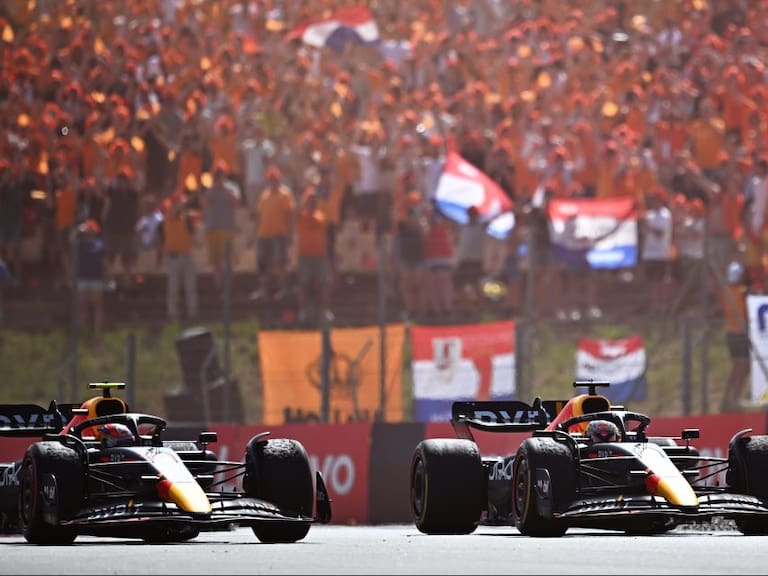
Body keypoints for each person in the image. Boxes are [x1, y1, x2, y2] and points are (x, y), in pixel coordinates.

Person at [251, 165, 295, 301]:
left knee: (280, 263)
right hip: (264, 234)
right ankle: (263, 290)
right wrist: (255, 233)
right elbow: (259, 216)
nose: (273, 181)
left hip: (279, 233)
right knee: (262, 263)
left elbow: (289, 215)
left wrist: (290, 234)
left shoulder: (285, 194)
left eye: (275, 179)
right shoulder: (264, 195)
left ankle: (284, 289)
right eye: (270, 179)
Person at [158, 191, 199, 323]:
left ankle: (192, 314)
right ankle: (172, 314)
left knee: (190, 286)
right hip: (174, 257)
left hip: (187, 255)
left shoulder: (186, 218)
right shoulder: (168, 216)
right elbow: (175, 210)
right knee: (173, 288)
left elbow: (192, 234)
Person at [201, 159, 240, 294]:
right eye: (217, 174)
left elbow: (236, 202)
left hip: (227, 229)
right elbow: (205, 208)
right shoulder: (210, 189)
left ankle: (229, 288)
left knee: (229, 261)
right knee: (216, 262)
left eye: (221, 173)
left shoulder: (232, 187)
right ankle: (218, 289)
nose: (219, 176)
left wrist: (223, 187)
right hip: (212, 229)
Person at [295, 189, 331, 323]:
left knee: (323, 283)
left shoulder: (322, 216)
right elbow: (294, 211)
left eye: (314, 200)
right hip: (304, 254)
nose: (312, 202)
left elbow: (325, 235)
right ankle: (303, 310)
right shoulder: (301, 216)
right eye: (309, 200)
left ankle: (324, 310)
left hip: (320, 255)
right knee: (303, 284)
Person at [720, 260, 751, 412]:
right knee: (742, 366)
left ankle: (728, 397)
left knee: (737, 367)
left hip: (731, 332)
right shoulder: (741, 292)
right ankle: (734, 398)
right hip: (740, 333)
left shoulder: (726, 291)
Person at [75, 219, 107, 338]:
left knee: (97, 306)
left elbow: (104, 261)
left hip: (96, 278)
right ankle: (84, 334)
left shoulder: (99, 244)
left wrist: (107, 275)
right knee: (83, 307)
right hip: (82, 277)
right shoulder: (78, 243)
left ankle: (97, 333)